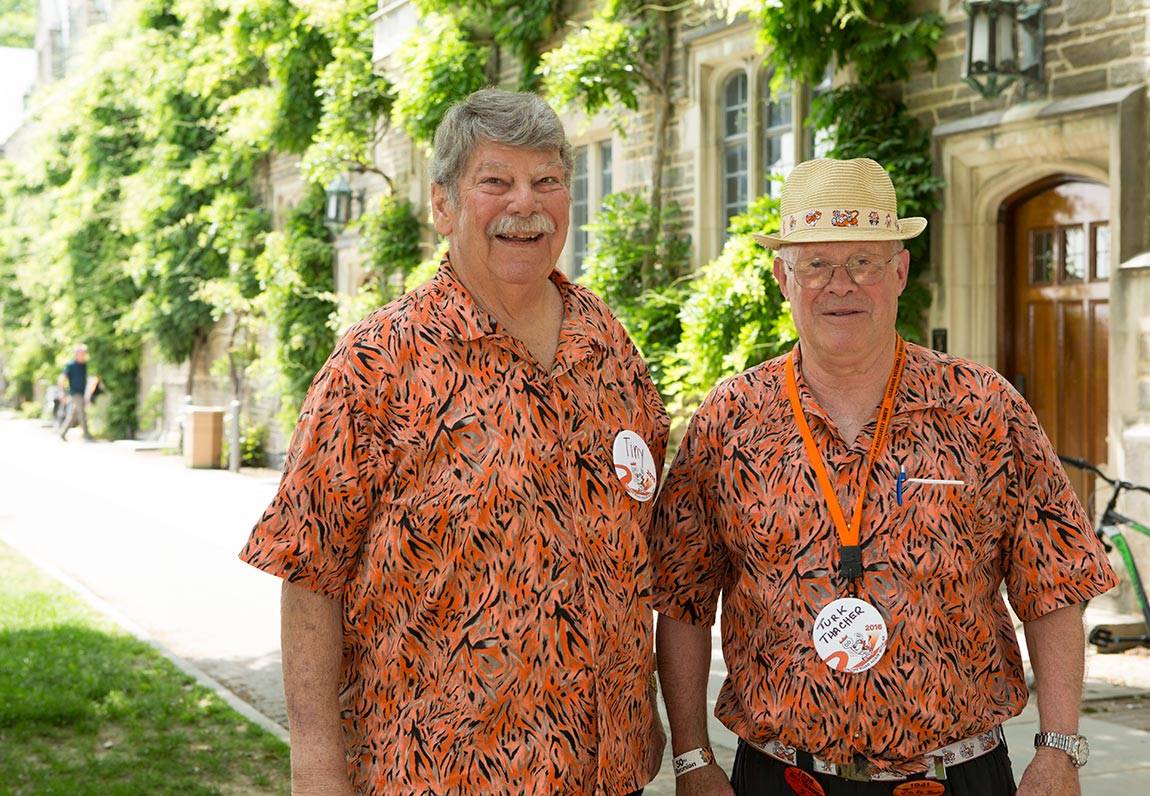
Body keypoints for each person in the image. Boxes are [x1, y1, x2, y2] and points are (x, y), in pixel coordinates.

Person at [240, 89, 669, 795]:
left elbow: (637, 537)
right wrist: (315, 766)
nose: (524, 205)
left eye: (548, 181)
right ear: (443, 206)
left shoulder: (609, 345)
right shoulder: (377, 364)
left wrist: (643, 705)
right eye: (495, 181)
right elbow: (308, 571)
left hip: (607, 770)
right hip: (440, 773)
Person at [650, 158, 1118, 796]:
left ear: (899, 271)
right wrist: (692, 758)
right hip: (780, 777)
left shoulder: (984, 408)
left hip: (959, 774)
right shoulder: (729, 421)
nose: (840, 285)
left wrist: (1060, 748)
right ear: (782, 278)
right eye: (815, 264)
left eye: (864, 260)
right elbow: (682, 598)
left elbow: (1056, 584)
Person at [58, 343, 93, 441]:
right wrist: (62, 393)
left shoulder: (84, 365)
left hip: (82, 393)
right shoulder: (70, 365)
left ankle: (62, 433)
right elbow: (62, 379)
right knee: (82, 413)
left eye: (84, 353)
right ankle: (87, 435)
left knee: (73, 416)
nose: (84, 355)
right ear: (76, 354)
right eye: (82, 353)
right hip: (75, 393)